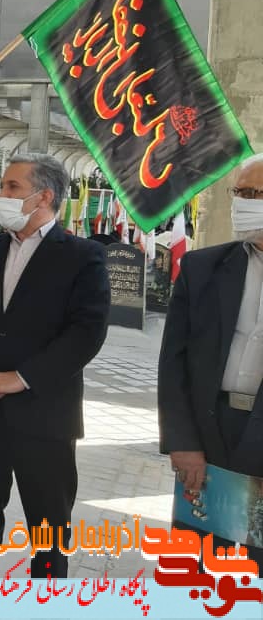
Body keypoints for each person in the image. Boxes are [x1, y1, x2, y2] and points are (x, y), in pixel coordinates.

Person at [0, 152, 110, 580]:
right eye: (3, 185)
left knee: (48, 525)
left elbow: (86, 333)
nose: (1, 194)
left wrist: (21, 378)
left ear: (44, 197)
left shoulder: (83, 257)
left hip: (45, 415)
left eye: (12, 187)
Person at [158, 153, 263, 566]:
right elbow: (174, 363)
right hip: (211, 430)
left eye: (254, 194)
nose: (242, 203)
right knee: (198, 560)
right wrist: (182, 442)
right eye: (239, 192)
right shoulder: (203, 268)